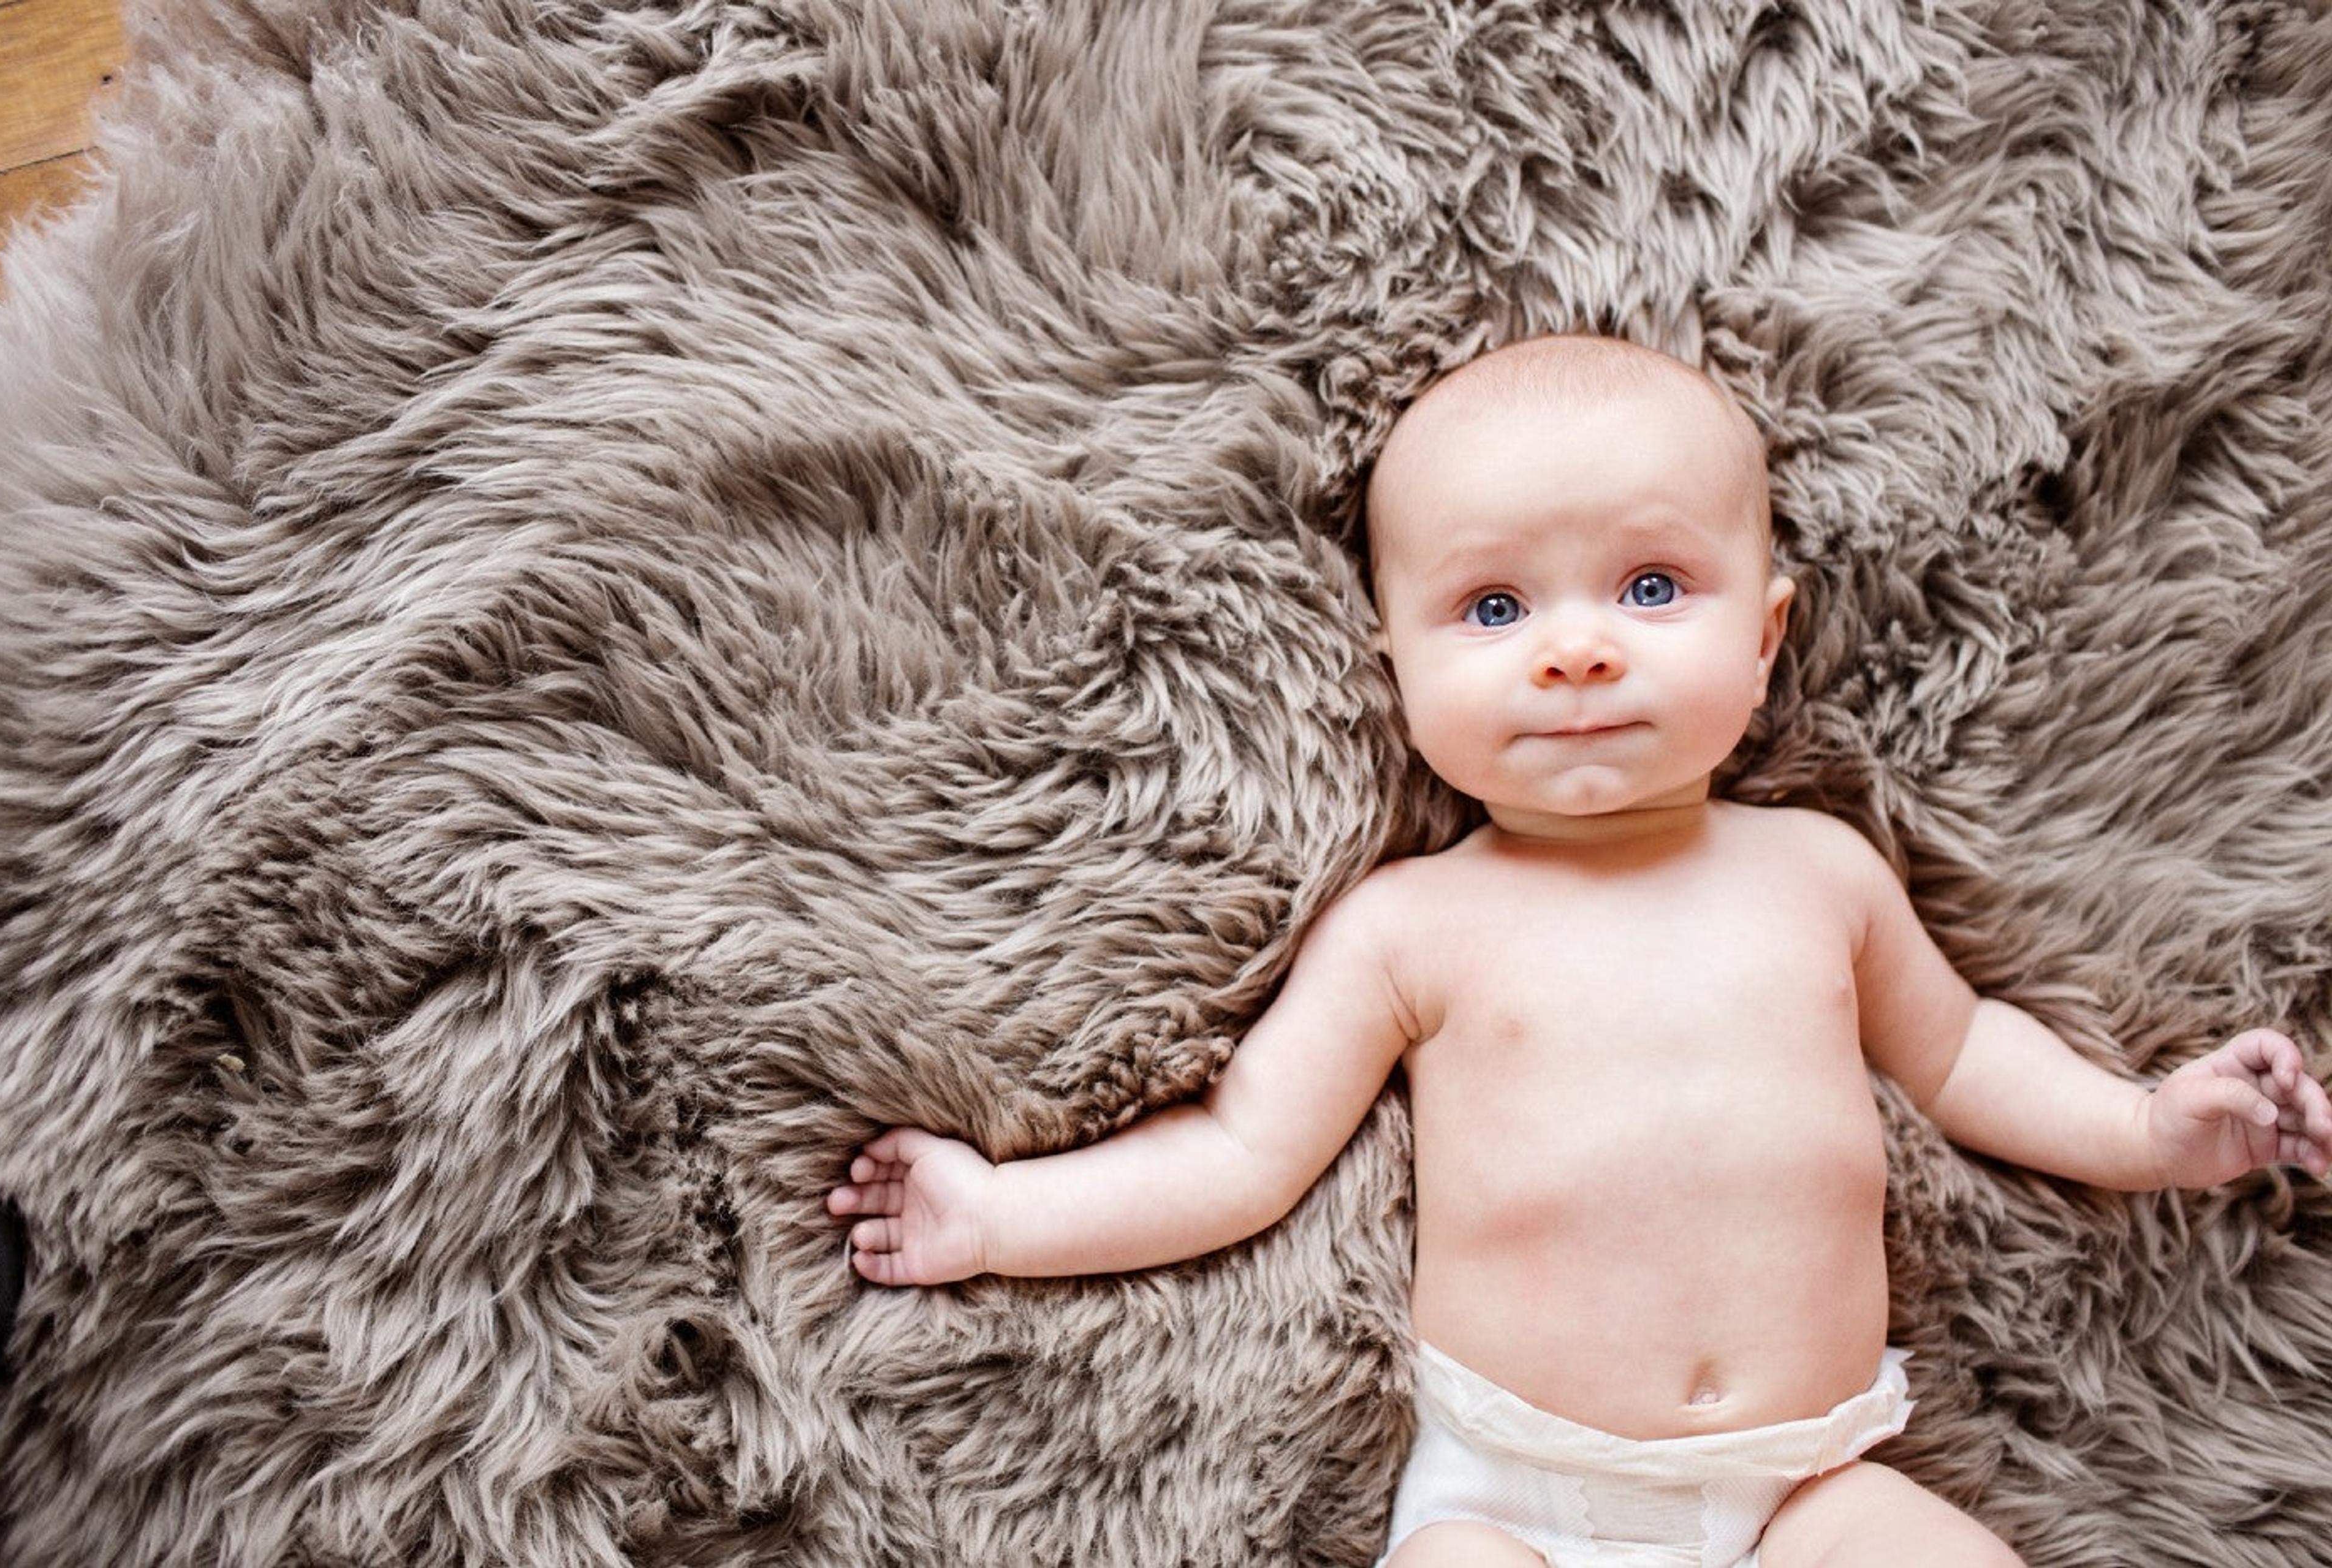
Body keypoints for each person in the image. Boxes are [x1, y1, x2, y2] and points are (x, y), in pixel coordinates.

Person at [825, 335, 2332, 1566]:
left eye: (1653, 587)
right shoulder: (1414, 924)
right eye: (1493, 606)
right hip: (1511, 1496)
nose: (1579, 647)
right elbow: (1239, 1153)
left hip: (1804, 1492)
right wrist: (999, 1216)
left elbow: (1961, 1050)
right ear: (1397, 668)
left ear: (1765, 636)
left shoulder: (1821, 873)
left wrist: (2149, 1129)